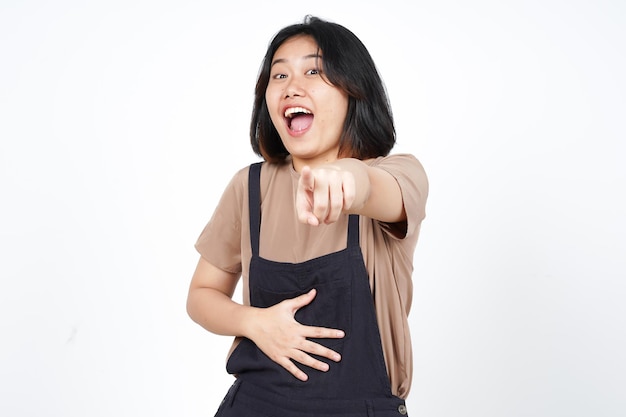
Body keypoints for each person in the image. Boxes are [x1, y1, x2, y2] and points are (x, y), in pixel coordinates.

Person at [186, 15, 428, 417]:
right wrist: (255, 323)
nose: (291, 87)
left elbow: (373, 188)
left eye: (313, 71)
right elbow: (200, 296)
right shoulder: (249, 188)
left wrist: (348, 177)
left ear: (354, 90)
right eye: (278, 76)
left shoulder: (399, 174)